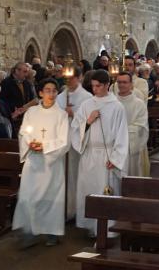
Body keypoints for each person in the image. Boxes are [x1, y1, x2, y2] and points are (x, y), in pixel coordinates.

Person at [12, 78, 70, 248]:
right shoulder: (31, 112)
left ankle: (52, 232)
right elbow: (24, 132)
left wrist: (44, 146)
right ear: (40, 93)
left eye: (54, 91)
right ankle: (29, 231)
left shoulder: (61, 115)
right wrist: (30, 143)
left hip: (51, 164)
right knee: (28, 196)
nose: (51, 94)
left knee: (50, 198)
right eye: (47, 90)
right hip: (33, 162)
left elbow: (65, 141)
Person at [71, 69, 129, 236]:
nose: (94, 89)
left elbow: (122, 135)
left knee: (105, 193)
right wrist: (88, 121)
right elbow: (75, 128)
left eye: (98, 86)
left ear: (107, 85)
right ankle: (90, 227)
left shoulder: (117, 106)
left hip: (107, 156)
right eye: (93, 86)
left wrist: (116, 159)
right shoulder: (86, 105)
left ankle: (107, 231)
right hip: (89, 154)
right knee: (89, 190)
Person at [56, 66, 92, 220]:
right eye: (66, 78)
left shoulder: (87, 97)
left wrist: (74, 114)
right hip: (62, 141)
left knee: (76, 175)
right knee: (63, 176)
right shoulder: (60, 96)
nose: (69, 81)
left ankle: (77, 209)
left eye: (72, 78)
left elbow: (90, 120)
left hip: (78, 142)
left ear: (79, 77)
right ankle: (64, 209)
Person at [115, 72, 150, 177]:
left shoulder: (139, 104)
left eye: (124, 82)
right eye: (119, 82)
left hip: (132, 146)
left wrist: (120, 132)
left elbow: (141, 125)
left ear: (131, 84)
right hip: (114, 146)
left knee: (131, 174)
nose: (121, 85)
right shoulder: (112, 102)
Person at [0, 62, 37, 137]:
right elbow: (2, 101)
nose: (26, 74)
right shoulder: (6, 83)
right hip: (13, 117)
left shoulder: (27, 83)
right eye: (24, 72)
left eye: (27, 72)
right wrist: (12, 111)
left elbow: (32, 98)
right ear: (16, 71)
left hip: (25, 116)